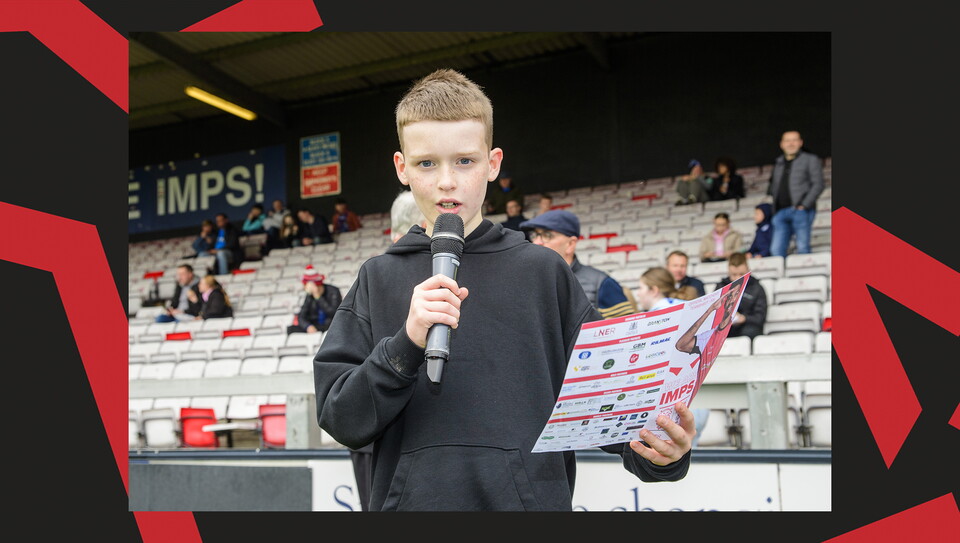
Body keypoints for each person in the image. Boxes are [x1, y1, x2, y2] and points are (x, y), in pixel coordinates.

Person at [312, 68, 692, 512]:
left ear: (493, 163)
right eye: (427, 163)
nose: (447, 181)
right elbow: (343, 420)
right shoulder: (377, 278)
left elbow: (608, 409)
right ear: (402, 168)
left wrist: (661, 453)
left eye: (465, 161)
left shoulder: (542, 271)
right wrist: (405, 345)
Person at [520, 209, 635, 319]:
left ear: (570, 244)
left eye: (547, 235)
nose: (537, 242)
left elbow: (624, 334)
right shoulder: (525, 281)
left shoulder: (602, 283)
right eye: (535, 235)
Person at [675, 276, 746, 400]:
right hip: (701, 393)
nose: (731, 299)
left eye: (736, 295)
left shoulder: (732, 328)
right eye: (729, 295)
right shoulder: (708, 334)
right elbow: (681, 345)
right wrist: (710, 310)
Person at [767, 130, 825, 256]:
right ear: (782, 144)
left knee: (803, 248)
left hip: (800, 211)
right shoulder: (778, 162)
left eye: (794, 140)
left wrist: (804, 205)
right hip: (780, 212)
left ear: (800, 143)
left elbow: (818, 184)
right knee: (776, 251)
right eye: (787, 141)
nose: (790, 144)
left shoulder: (810, 159)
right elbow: (773, 186)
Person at [714, 253, 767, 339]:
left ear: (748, 270)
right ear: (729, 272)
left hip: (749, 327)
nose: (738, 278)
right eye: (734, 275)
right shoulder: (721, 287)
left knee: (750, 332)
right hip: (725, 327)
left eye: (741, 274)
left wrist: (744, 318)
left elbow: (760, 317)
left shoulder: (757, 288)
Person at [634, 267, 698, 312]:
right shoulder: (686, 308)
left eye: (640, 288)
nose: (638, 293)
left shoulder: (654, 319)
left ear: (654, 291)